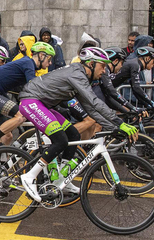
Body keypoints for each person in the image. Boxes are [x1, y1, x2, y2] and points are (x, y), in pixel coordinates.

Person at [16, 47, 138, 201]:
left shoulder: (82, 77)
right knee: (60, 140)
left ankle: (61, 179)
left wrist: (112, 127)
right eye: (103, 66)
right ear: (92, 64)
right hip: (30, 100)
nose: (105, 71)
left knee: (73, 133)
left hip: (43, 104)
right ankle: (29, 176)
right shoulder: (77, 74)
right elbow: (95, 102)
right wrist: (119, 123)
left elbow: (91, 111)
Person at [0, 42, 55, 146]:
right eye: (49, 59)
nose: (50, 63)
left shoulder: (28, 65)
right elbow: (34, 88)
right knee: (21, 115)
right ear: (41, 56)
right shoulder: (28, 63)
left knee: (8, 136)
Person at [111, 46, 154, 112]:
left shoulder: (135, 64)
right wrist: (152, 103)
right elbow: (136, 87)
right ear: (147, 58)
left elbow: (134, 89)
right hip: (105, 89)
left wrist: (147, 104)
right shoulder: (136, 65)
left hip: (108, 89)